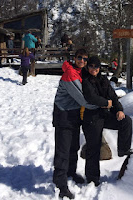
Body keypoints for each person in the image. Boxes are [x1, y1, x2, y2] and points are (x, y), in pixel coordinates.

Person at [52, 48, 98, 199]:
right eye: (80, 58)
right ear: (74, 58)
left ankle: (70, 172)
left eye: (85, 59)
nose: (83, 61)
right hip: (63, 115)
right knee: (63, 151)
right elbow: (83, 99)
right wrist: (104, 105)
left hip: (73, 115)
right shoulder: (70, 74)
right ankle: (61, 184)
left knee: (73, 147)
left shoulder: (79, 72)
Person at [82, 56, 133, 186]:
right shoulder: (85, 80)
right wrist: (105, 103)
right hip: (92, 117)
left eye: (96, 66)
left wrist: (119, 110)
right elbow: (91, 97)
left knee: (126, 121)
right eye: (92, 66)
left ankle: (123, 150)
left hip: (104, 115)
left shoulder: (103, 80)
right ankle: (92, 178)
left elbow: (113, 97)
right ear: (88, 67)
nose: (94, 69)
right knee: (94, 146)